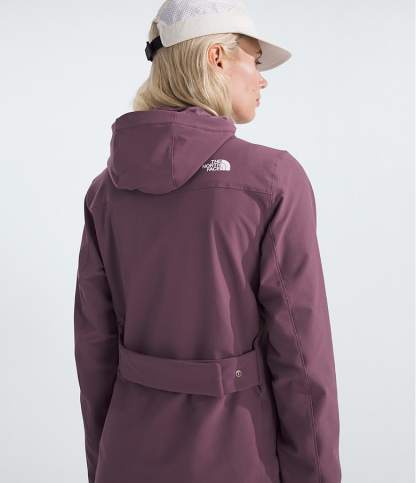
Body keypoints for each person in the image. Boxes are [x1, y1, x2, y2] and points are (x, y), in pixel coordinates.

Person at [73, 1, 342, 482]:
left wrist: (103, 465)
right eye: (255, 61)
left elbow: (94, 352)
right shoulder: (272, 179)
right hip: (237, 457)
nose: (262, 80)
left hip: (127, 455)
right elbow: (302, 356)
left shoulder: (105, 192)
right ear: (217, 56)